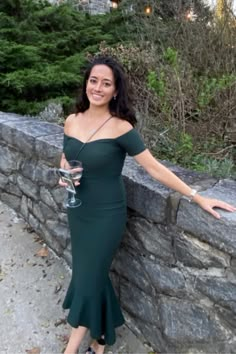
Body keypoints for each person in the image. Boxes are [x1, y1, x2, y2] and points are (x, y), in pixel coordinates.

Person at [59, 55, 236, 354]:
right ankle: (100, 340)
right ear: (86, 83)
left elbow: (154, 168)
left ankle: (71, 349)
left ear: (115, 91)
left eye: (106, 83)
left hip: (106, 216)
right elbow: (66, 156)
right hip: (79, 210)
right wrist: (64, 173)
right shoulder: (71, 120)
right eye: (93, 81)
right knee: (92, 274)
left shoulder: (121, 128)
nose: (98, 88)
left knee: (87, 278)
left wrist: (197, 195)